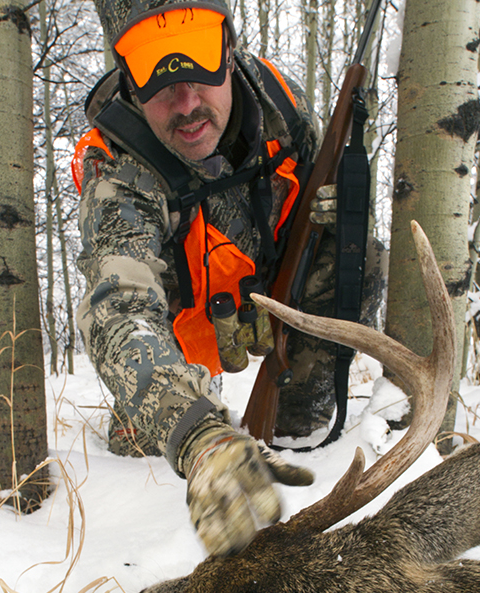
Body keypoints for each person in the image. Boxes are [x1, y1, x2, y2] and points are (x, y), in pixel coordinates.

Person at [74, 0, 352, 557]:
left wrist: (336, 212)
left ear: (230, 57)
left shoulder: (281, 105)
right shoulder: (118, 169)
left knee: (354, 249)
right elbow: (119, 307)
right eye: (160, 87)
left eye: (201, 75)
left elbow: (327, 194)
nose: (186, 104)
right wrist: (199, 436)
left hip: (264, 292)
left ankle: (298, 425)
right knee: (145, 447)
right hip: (175, 330)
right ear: (130, 86)